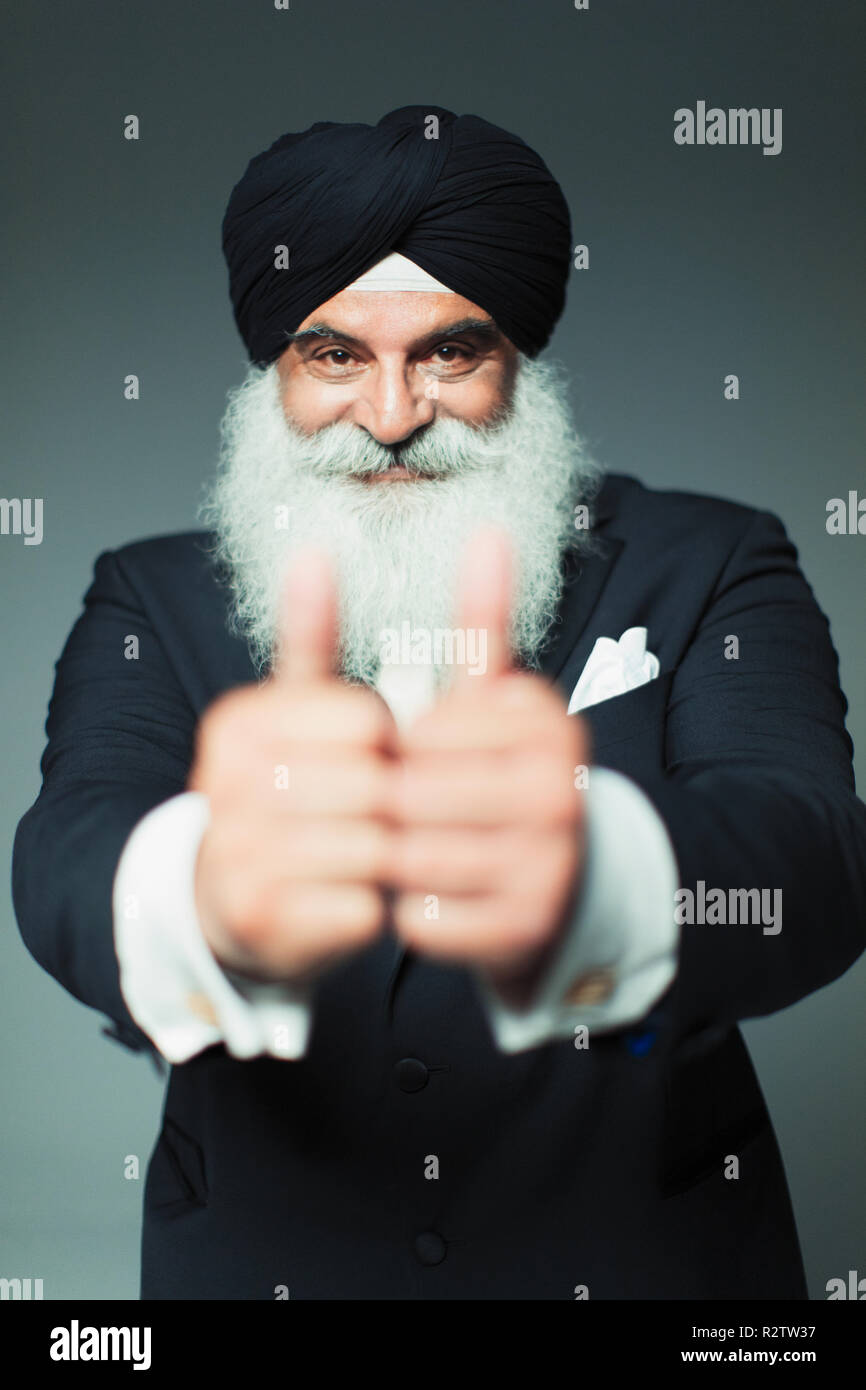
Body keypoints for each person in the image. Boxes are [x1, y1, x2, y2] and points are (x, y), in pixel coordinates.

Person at [13, 105, 866, 1300]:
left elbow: (812, 861)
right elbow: (66, 849)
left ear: (518, 356)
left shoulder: (711, 557)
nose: (395, 412)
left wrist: (598, 864)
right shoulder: (152, 594)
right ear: (276, 371)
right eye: (335, 356)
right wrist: (197, 887)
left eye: (448, 354)